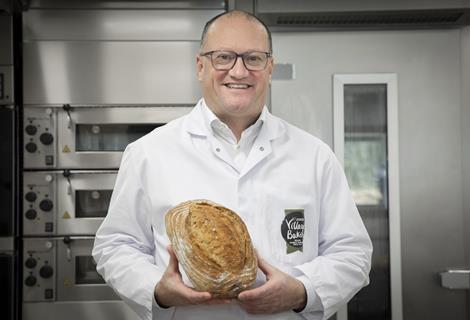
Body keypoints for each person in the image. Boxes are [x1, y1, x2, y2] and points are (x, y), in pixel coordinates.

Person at [93, 10, 372, 320]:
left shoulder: (314, 156)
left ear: (269, 67)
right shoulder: (149, 152)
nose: (238, 72)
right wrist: (157, 289)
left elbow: (352, 253)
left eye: (253, 58)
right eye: (223, 57)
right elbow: (115, 246)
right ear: (201, 66)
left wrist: (302, 290)